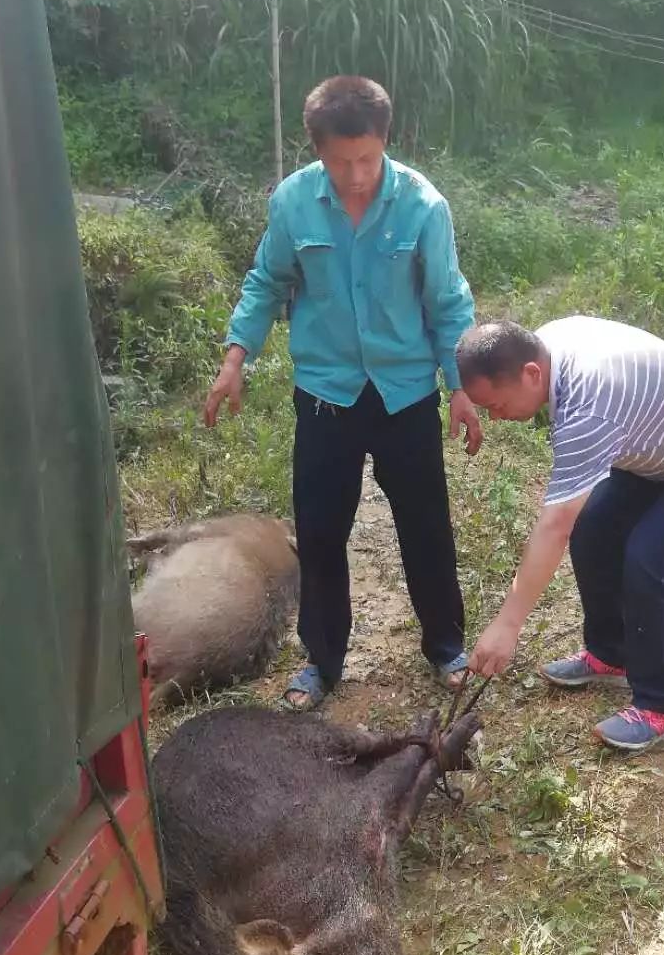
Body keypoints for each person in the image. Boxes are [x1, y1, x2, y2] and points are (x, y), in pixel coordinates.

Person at [204, 76, 483, 711]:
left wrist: (460, 387)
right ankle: (323, 662)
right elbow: (266, 281)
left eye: (367, 159)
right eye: (339, 162)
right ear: (318, 151)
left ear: (386, 141)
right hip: (326, 394)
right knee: (322, 530)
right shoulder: (295, 203)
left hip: (405, 393)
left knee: (425, 525)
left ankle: (445, 647)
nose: (355, 176)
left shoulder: (422, 206)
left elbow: (447, 302)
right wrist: (234, 359)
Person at [456, 316, 664, 752]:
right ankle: (611, 655)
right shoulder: (545, 348)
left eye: (495, 405)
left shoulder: (589, 404)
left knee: (651, 560)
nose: (495, 417)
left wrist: (507, 625)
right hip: (662, 447)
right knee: (594, 528)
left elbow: (554, 523)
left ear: (531, 374)